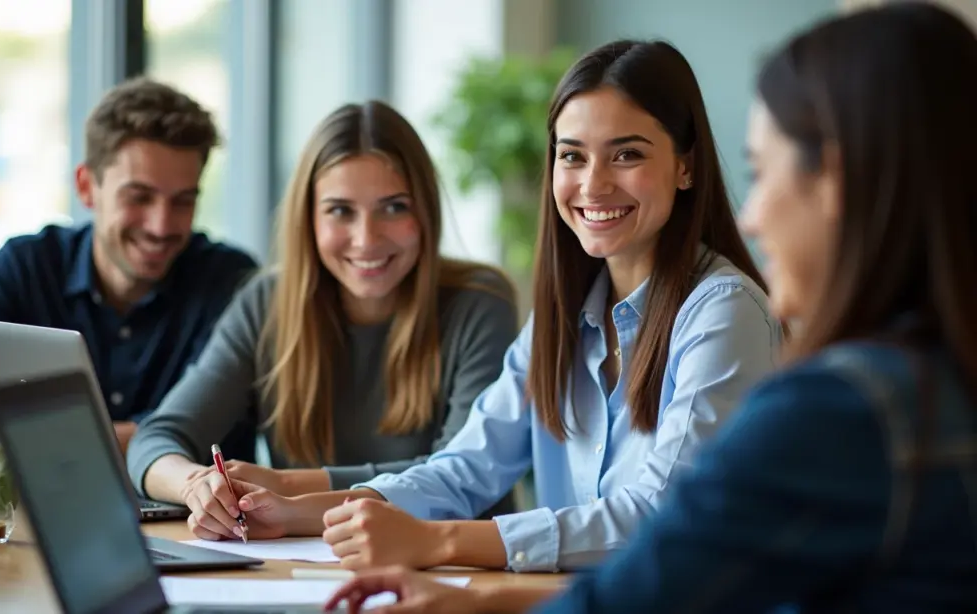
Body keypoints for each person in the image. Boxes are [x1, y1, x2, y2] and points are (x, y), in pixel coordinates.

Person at [321, 3, 977, 612]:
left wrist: (446, 552)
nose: (751, 213)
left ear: (836, 180)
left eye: (766, 170)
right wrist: (326, 510)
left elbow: (651, 571)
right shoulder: (929, 387)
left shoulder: (836, 405)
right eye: (572, 156)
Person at [186, 39, 783, 574]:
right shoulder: (565, 317)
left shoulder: (723, 314)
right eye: (572, 156)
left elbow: (659, 514)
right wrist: (296, 515)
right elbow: (465, 467)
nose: (593, 184)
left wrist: (440, 542)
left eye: (626, 155)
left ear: (685, 166)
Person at [126, 101, 520, 520]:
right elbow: (157, 437)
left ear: (425, 212)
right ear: (309, 219)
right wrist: (196, 486)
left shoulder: (479, 302)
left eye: (394, 207)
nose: (366, 239)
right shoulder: (267, 303)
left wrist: (290, 486)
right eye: (340, 211)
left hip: (455, 572)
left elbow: (461, 475)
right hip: (307, 566)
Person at [0, 77, 259, 456]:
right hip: (31, 509)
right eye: (139, 197)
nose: (161, 225)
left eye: (182, 201)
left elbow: (216, 431)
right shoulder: (24, 269)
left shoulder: (232, 283)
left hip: (189, 514)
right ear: (86, 187)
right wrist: (144, 436)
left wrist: (43, 437)